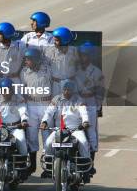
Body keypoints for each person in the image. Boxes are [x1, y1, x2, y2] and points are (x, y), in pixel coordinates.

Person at [41, 80, 91, 179]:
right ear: (62, 90)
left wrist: (85, 122)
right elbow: (49, 112)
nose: (67, 92)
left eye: (69, 90)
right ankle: (49, 168)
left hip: (75, 130)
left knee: (84, 142)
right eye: (65, 90)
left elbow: (84, 112)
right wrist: (44, 122)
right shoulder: (56, 99)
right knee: (47, 143)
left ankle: (85, 170)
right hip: (59, 129)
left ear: (73, 91)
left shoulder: (78, 100)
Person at [20, 47, 53, 175]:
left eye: (29, 59)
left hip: (45, 104)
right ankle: (32, 166)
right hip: (31, 105)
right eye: (26, 59)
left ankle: (48, 167)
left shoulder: (47, 70)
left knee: (47, 138)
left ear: (36, 60)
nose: (27, 62)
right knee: (31, 136)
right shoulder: (24, 72)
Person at [75, 42, 104, 171]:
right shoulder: (75, 71)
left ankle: (91, 163)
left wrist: (97, 108)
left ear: (90, 56)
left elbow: (100, 92)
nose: (82, 58)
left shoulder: (97, 72)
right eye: (81, 55)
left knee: (91, 132)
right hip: (77, 102)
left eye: (85, 55)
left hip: (91, 101)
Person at [44, 27, 79, 96]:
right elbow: (45, 67)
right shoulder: (49, 51)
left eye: (56, 40)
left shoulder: (74, 51)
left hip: (71, 83)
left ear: (64, 41)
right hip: (56, 84)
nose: (54, 43)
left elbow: (79, 66)